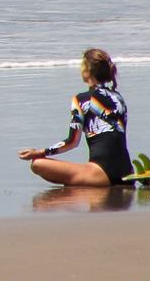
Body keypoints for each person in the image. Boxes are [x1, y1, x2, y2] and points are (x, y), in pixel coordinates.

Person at [17, 49, 134, 187]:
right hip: (127, 171)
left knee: (37, 164)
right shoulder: (118, 98)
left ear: (88, 70)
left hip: (101, 173)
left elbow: (72, 141)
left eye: (82, 65)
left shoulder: (81, 100)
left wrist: (40, 152)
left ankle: (84, 185)